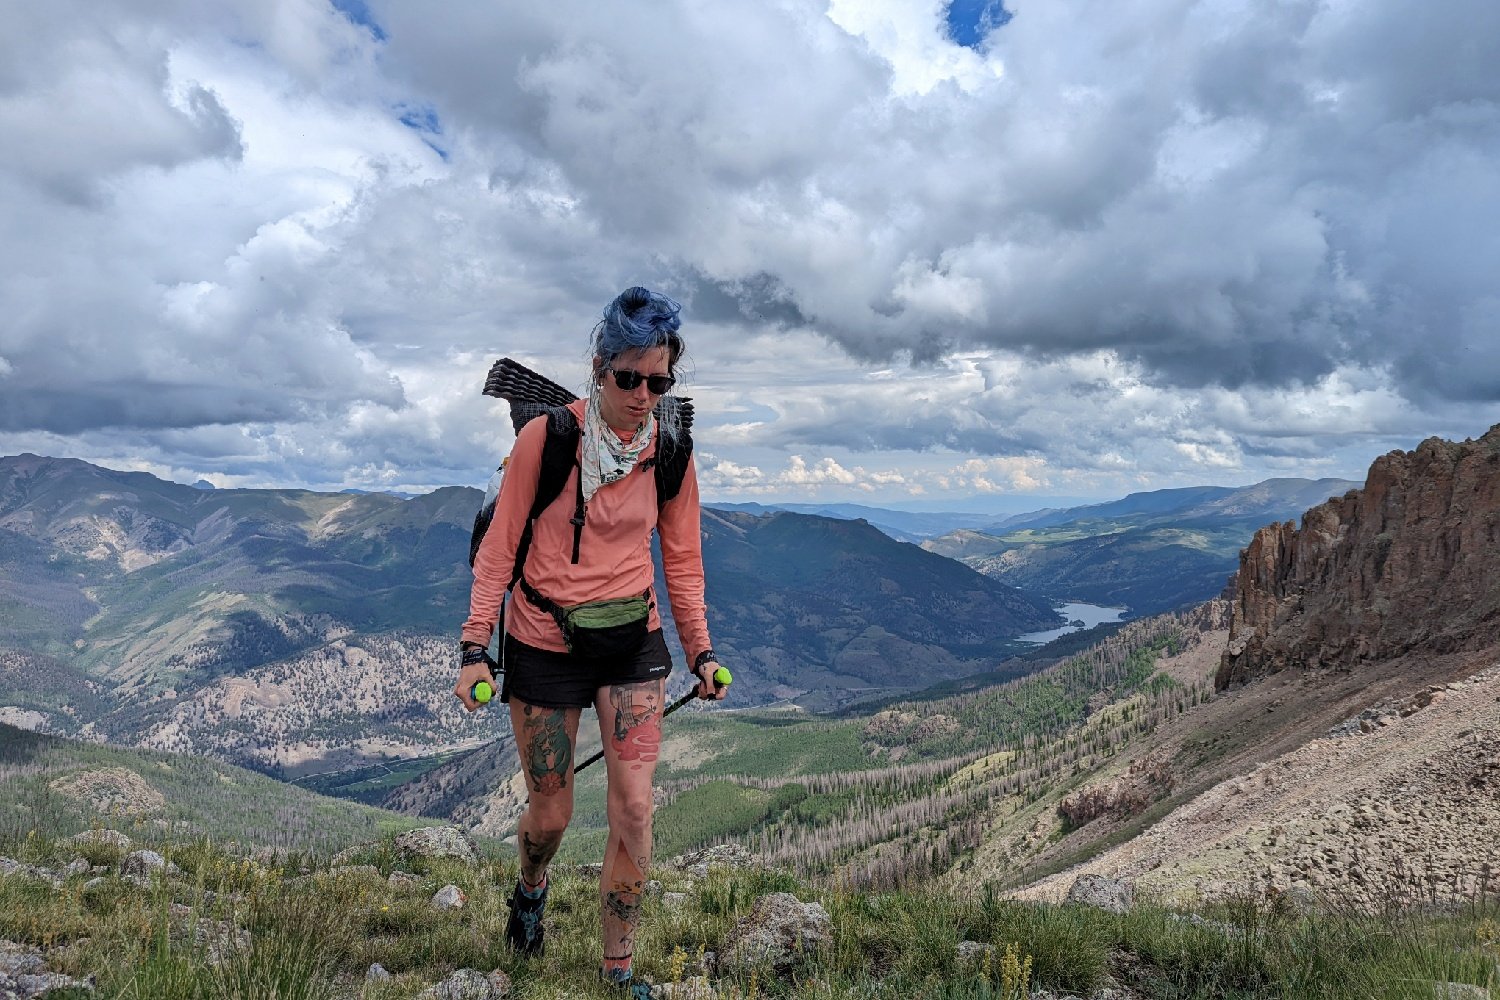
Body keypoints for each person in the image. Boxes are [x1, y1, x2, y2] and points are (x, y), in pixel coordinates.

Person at [455, 286, 726, 997]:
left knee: (635, 808)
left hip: (632, 640)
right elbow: (499, 550)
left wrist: (700, 651)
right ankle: (531, 886)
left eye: (659, 381)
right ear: (599, 368)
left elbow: (684, 559)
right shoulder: (547, 440)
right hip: (543, 640)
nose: (644, 395)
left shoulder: (669, 449)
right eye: (629, 378)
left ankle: (618, 971)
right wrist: (474, 648)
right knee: (550, 814)